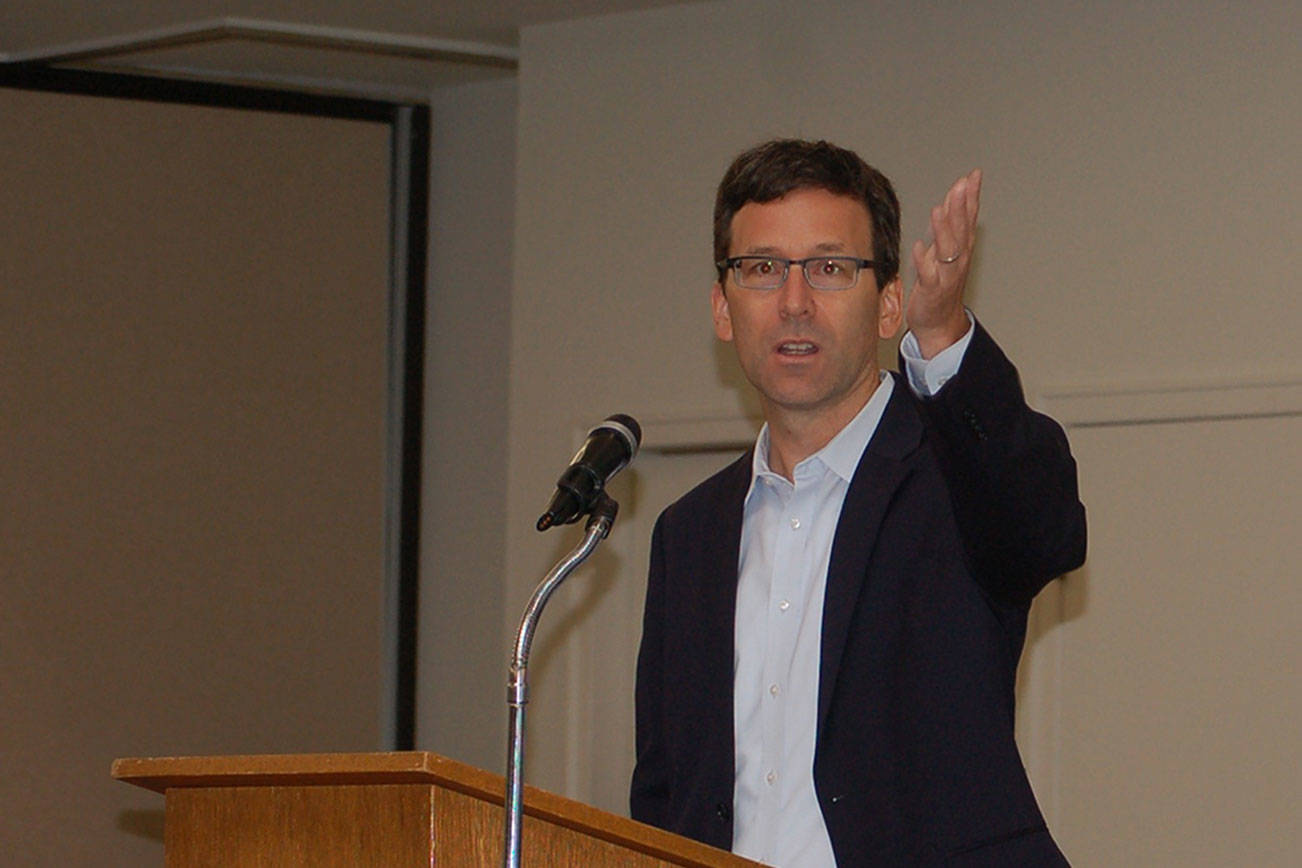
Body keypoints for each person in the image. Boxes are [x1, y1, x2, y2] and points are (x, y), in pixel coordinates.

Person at [629, 139, 1087, 866]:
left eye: (831, 269)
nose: (794, 301)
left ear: (890, 305)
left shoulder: (954, 481)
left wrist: (941, 334)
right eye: (762, 269)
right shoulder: (689, 536)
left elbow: (1045, 529)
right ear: (722, 308)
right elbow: (663, 797)